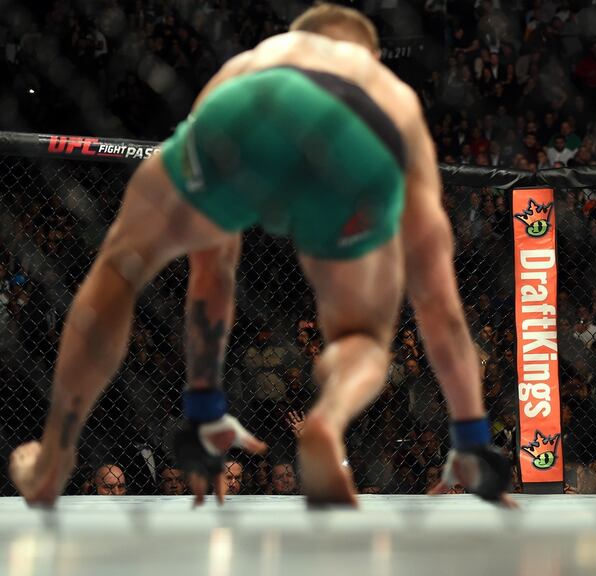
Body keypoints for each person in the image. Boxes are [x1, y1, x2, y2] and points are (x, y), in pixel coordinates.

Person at [8, 4, 512, 508]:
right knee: (362, 335)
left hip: (244, 109)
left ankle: (55, 455)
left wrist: (204, 404)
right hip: (360, 138)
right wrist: (471, 438)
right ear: (371, 54)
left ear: (299, 37)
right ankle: (327, 419)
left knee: (119, 268)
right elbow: (441, 310)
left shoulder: (253, 59)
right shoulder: (391, 92)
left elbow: (213, 266)